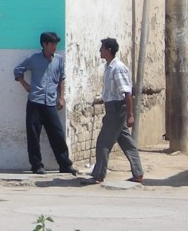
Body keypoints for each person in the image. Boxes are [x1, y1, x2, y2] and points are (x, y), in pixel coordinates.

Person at [14, 31, 78, 176]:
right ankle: (37, 166)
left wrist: (61, 97)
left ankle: (65, 164)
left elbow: (61, 78)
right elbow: (18, 70)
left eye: (56, 44)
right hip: (35, 101)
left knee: (57, 134)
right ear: (44, 44)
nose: (55, 46)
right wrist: (25, 85)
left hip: (50, 102)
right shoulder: (34, 59)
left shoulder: (59, 60)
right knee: (33, 136)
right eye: (52, 44)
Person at [83, 38, 144, 185]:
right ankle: (138, 173)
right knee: (126, 142)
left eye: (102, 48)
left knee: (103, 142)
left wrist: (130, 115)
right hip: (112, 107)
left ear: (109, 50)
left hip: (117, 109)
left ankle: (98, 175)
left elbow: (127, 93)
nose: (100, 50)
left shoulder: (118, 68)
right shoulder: (108, 67)